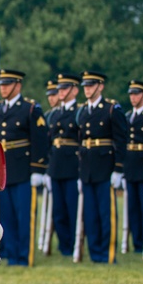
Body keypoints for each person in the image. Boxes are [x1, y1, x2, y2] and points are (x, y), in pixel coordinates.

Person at [0, 69, 47, 266]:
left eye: (7, 84)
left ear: (18, 85)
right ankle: (11, 254)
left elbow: (40, 141)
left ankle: (25, 256)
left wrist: (38, 169)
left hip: (24, 170)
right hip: (4, 172)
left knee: (25, 217)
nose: (3, 88)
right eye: (2, 84)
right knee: (7, 216)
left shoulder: (30, 108)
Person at [75, 70, 126, 263]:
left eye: (91, 86)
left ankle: (108, 252)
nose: (87, 89)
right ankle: (95, 252)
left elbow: (121, 140)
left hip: (105, 168)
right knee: (90, 214)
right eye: (85, 86)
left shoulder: (111, 109)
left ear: (100, 86)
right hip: (87, 168)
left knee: (106, 214)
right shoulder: (83, 111)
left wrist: (119, 169)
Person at [46, 74, 82, 256]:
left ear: (75, 90)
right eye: (59, 88)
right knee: (58, 210)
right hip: (56, 166)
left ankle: (74, 243)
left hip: (72, 165)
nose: (60, 92)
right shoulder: (54, 114)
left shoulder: (79, 112)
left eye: (64, 88)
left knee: (72, 208)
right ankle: (64, 245)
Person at [123, 80, 143, 253]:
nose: (133, 97)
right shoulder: (127, 116)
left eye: (136, 94)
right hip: (130, 164)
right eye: (131, 94)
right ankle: (136, 242)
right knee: (132, 206)